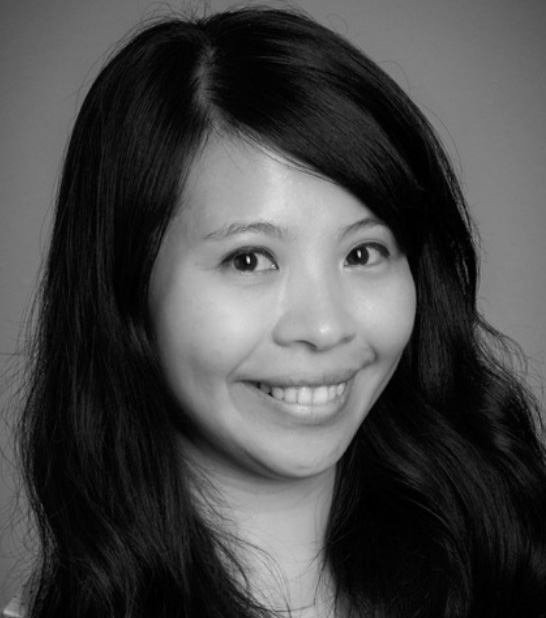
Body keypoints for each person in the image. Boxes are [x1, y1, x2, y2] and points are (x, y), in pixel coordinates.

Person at [9, 6, 546, 618]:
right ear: (126, 287)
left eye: (363, 253)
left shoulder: (511, 571)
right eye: (249, 260)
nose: (325, 327)